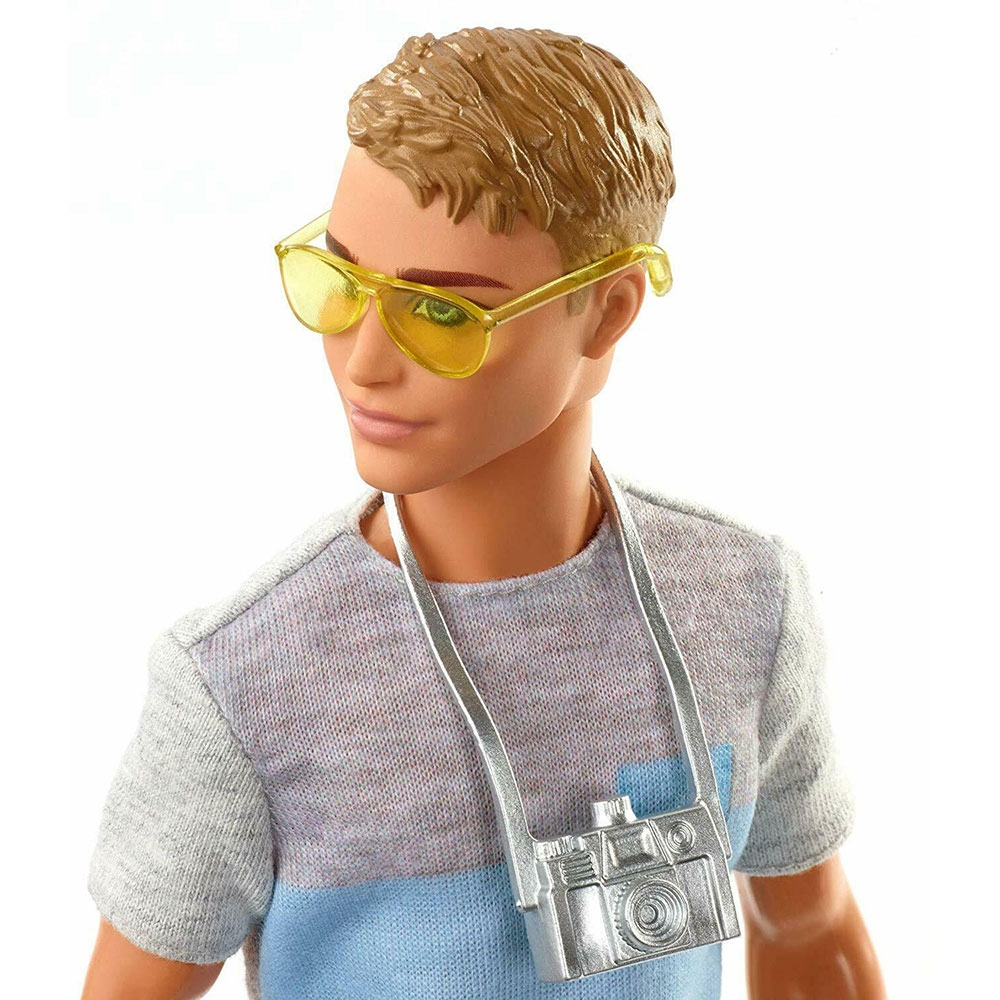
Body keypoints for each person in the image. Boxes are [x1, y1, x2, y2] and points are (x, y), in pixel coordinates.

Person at [82, 26, 886, 1000]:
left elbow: (809, 929)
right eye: (341, 283)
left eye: (442, 313)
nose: (364, 361)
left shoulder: (746, 606)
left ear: (608, 310)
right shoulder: (245, 679)